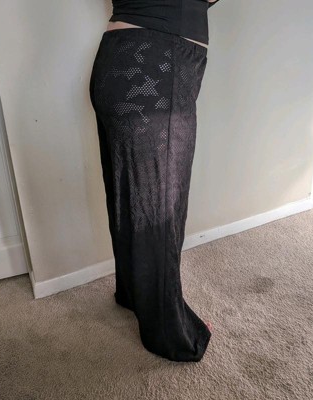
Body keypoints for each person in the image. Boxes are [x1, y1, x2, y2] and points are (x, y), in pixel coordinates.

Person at [89, 0, 220, 362]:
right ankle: (169, 334)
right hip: (156, 65)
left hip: (119, 58)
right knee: (160, 210)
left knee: (128, 198)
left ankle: (134, 295)